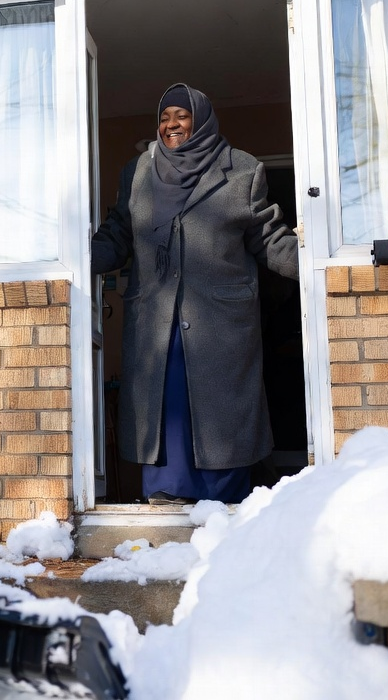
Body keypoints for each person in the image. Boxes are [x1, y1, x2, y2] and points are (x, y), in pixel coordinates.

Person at [92, 83, 298, 506]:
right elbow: (117, 235)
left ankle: (225, 499)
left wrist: (317, 265)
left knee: (220, 407)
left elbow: (269, 239)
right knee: (167, 408)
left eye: (181, 116)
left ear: (201, 119)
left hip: (220, 321)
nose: (171, 125)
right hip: (156, 319)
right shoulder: (137, 173)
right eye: (164, 118)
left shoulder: (242, 170)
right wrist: (68, 256)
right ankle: (167, 495)